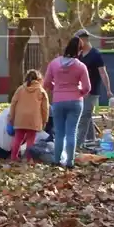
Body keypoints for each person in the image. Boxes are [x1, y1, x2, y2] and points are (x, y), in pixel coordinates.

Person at [43, 37, 92, 167]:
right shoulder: (81, 66)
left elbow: (46, 82)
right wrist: (79, 93)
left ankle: (56, 160)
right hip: (75, 101)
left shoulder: (54, 63)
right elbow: (87, 87)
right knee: (72, 132)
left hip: (58, 100)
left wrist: (56, 89)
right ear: (79, 51)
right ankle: (70, 162)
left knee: (59, 132)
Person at [76, 31, 112, 149]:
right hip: (81, 91)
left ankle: (78, 144)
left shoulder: (96, 54)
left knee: (85, 115)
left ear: (84, 40)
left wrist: (108, 89)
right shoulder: (79, 55)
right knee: (87, 115)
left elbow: (103, 73)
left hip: (92, 90)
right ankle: (91, 139)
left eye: (78, 41)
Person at [8, 69, 50, 163]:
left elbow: (13, 103)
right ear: (39, 79)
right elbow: (45, 108)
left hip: (20, 118)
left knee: (18, 137)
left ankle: (14, 157)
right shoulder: (41, 91)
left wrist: (11, 117)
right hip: (34, 119)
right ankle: (28, 158)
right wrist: (45, 120)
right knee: (31, 139)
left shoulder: (20, 89)